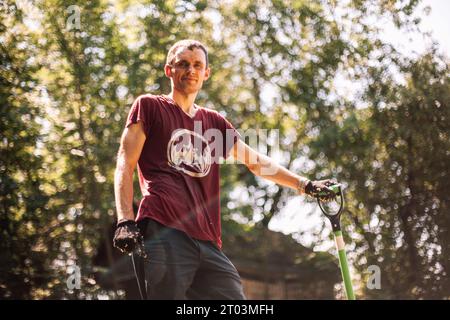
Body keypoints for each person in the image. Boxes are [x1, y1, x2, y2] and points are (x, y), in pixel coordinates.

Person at [113, 39, 337, 300]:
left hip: (208, 242)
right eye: (183, 64)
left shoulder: (214, 123)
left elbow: (255, 162)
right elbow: (124, 164)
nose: (191, 70)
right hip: (164, 229)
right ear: (169, 70)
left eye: (198, 65)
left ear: (206, 73)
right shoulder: (150, 107)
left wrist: (305, 185)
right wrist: (125, 221)